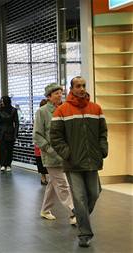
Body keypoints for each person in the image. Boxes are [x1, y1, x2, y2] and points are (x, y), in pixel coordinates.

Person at [50, 76, 108, 248]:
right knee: (80, 197)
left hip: (92, 161)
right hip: (73, 163)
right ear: (71, 88)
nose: (81, 89)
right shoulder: (62, 110)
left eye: (83, 86)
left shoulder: (96, 109)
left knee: (95, 193)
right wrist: (68, 153)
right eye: (78, 86)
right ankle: (85, 233)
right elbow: (55, 137)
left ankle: (80, 215)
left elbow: (103, 132)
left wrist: (103, 149)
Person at [33, 83, 76, 225]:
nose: (60, 95)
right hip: (51, 156)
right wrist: (51, 151)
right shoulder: (42, 112)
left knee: (53, 183)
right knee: (63, 184)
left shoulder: (64, 110)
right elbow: (37, 136)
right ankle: (74, 212)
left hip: (65, 154)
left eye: (61, 92)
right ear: (49, 96)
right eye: (56, 93)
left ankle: (45, 210)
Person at [0, 96, 19, 172]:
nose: (1, 103)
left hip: (10, 131)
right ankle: (3, 164)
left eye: (2, 101)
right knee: (2, 149)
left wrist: (16, 133)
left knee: (10, 149)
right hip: (1, 132)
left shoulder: (14, 110)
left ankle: (8, 164)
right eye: (1, 101)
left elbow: (16, 122)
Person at [35, 99, 49, 185]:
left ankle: (44, 178)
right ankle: (43, 178)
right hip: (41, 145)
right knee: (41, 161)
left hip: (43, 145)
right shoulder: (39, 115)